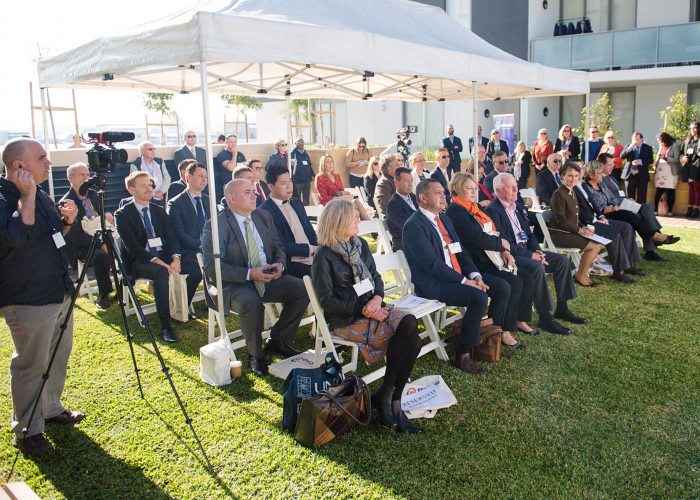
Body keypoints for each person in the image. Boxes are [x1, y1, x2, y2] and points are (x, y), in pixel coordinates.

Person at [1, 138, 84, 457]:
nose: (49, 163)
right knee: (31, 364)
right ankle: (27, 430)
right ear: (19, 166)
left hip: (57, 289)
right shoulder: (7, 197)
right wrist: (27, 196)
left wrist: (67, 222)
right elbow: (16, 237)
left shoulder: (42, 193)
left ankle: (50, 408)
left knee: (56, 356)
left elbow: (53, 238)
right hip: (27, 298)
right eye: (42, 157)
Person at [311, 200, 422, 432]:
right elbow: (327, 301)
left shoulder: (359, 244)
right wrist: (363, 309)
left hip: (371, 306)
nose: (358, 220)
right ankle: (392, 400)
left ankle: (388, 393)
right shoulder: (324, 255)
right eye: (353, 217)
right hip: (347, 319)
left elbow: (376, 279)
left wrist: (377, 299)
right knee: (411, 340)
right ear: (338, 221)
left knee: (410, 324)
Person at [202, 179, 309, 376]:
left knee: (302, 290)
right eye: (247, 192)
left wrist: (280, 264)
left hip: (267, 275)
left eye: (253, 191)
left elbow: (278, 246)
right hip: (236, 283)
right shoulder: (216, 225)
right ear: (231, 198)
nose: (254, 196)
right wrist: (250, 274)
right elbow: (212, 267)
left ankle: (278, 340)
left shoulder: (263, 216)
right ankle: (256, 355)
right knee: (251, 303)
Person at [403, 179, 489, 374]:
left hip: (456, 276)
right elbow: (432, 265)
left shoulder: (444, 218)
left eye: (443, 192)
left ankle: (486, 338)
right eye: (438, 193)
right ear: (423, 198)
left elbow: (460, 252)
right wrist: (465, 282)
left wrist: (475, 276)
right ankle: (462, 353)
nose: (444, 196)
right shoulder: (414, 226)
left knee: (496, 286)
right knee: (478, 297)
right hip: (433, 284)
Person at [486, 173, 584, 335]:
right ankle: (545, 317)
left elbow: (529, 235)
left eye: (516, 186)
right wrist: (531, 256)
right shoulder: (493, 211)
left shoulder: (517, 206)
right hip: (510, 255)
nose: (516, 189)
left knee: (561, 260)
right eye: (511, 187)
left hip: (527, 250)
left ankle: (562, 307)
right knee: (536, 266)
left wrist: (536, 250)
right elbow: (504, 243)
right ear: (498, 191)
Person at [446, 173, 530, 348]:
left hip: (487, 259)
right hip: (472, 264)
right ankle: (496, 333)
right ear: (457, 188)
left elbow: (490, 232)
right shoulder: (456, 211)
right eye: (469, 188)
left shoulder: (473, 208)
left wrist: (504, 249)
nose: (474, 192)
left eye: (475, 188)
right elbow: (475, 237)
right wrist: (501, 243)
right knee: (504, 286)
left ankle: (502, 330)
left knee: (517, 281)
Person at [115, 171, 183, 343]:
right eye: (143, 186)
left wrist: (176, 258)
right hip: (138, 260)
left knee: (191, 264)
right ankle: (165, 326)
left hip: (162, 254)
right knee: (161, 272)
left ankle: (182, 308)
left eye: (150, 185)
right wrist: (160, 263)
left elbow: (171, 237)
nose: (149, 189)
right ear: (131, 190)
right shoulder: (122, 214)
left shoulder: (159, 210)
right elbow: (133, 248)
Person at [587, 153, 679, 261]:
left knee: (645, 208)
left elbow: (618, 194)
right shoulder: (600, 180)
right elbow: (605, 200)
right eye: (610, 164)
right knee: (642, 211)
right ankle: (654, 240)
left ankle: (654, 241)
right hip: (614, 209)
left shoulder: (612, 178)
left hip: (623, 205)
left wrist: (628, 199)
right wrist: (621, 203)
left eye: (613, 164)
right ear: (601, 165)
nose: (613, 166)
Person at [60, 162, 114, 309]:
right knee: (101, 256)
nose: (86, 178)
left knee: (124, 245)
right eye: (81, 175)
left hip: (101, 235)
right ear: (70, 178)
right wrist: (100, 243)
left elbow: (101, 216)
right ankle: (104, 294)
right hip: (81, 245)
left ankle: (127, 283)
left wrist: (108, 217)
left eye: (87, 174)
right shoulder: (66, 202)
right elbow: (74, 235)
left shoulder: (94, 195)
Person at [577, 161, 643, 282]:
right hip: (587, 224)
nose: (581, 171)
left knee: (627, 227)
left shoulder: (581, 186)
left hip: (597, 219)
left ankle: (629, 265)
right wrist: (597, 218)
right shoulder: (577, 187)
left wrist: (601, 217)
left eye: (581, 169)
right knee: (613, 232)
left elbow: (594, 206)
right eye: (579, 169)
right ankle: (619, 271)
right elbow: (580, 212)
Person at [547, 163, 603, 287]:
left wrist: (584, 228)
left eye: (576, 176)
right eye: (570, 176)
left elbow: (574, 218)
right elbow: (561, 221)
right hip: (560, 235)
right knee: (595, 246)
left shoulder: (571, 192)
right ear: (562, 176)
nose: (573, 179)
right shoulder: (559, 194)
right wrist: (579, 231)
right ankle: (580, 275)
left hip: (571, 232)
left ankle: (581, 273)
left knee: (599, 243)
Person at [260, 165, 318, 278]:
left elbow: (309, 230)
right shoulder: (264, 211)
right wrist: (310, 249)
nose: (289, 186)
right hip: (292, 263)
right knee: (328, 275)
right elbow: (278, 245)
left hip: (314, 255)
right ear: (271, 187)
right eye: (283, 183)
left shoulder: (296, 202)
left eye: (290, 181)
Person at [166, 162, 209, 313]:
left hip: (208, 247)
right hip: (187, 250)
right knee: (197, 269)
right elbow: (179, 233)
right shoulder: (175, 203)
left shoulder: (207, 200)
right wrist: (201, 245)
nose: (204, 180)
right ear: (188, 177)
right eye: (200, 176)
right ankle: (181, 309)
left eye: (206, 177)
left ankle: (217, 300)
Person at [385, 167, 417, 251]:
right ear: (396, 182)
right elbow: (409, 227)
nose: (410, 184)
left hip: (419, 240)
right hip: (406, 245)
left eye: (411, 181)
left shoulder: (413, 197)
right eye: (406, 181)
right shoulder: (393, 205)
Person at [130, 141, 170, 205]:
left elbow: (167, 177)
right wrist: (153, 195)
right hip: (146, 198)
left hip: (162, 196)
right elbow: (137, 184)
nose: (153, 151)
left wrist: (161, 192)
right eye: (150, 149)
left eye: (153, 149)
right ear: (142, 152)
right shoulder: (136, 165)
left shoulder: (159, 161)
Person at [620, 132, 653, 204]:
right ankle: (631, 214)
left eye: (637, 139)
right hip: (630, 175)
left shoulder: (647, 148)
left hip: (641, 175)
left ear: (641, 139)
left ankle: (641, 214)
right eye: (633, 139)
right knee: (629, 197)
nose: (635, 141)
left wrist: (640, 161)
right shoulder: (628, 146)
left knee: (642, 197)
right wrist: (629, 148)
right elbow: (622, 156)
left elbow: (650, 160)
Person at [653, 132, 681, 215]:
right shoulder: (661, 145)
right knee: (659, 190)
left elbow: (676, 159)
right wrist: (655, 163)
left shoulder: (674, 145)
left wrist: (665, 158)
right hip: (661, 170)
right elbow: (658, 155)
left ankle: (670, 211)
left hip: (671, 170)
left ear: (665, 139)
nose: (659, 143)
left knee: (671, 190)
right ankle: (656, 210)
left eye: (660, 141)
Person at [214, 134, 246, 201]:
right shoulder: (222, 155)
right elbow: (231, 167)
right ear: (226, 142)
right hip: (228, 184)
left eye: (235, 142)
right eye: (231, 142)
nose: (234, 144)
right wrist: (234, 154)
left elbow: (244, 169)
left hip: (241, 183)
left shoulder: (241, 155)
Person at [681, 120, 700, 218]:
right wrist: (683, 158)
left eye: (696, 128)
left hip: (697, 167)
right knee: (691, 189)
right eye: (692, 128)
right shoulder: (688, 140)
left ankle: (696, 210)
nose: (694, 130)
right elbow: (682, 153)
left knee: (697, 189)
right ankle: (689, 208)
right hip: (688, 167)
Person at [290, 137, 314, 205]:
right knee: (297, 200)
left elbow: (309, 165)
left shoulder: (305, 154)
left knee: (306, 200)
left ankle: (307, 214)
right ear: (295, 143)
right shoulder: (292, 153)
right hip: (297, 181)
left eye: (302, 142)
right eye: (299, 141)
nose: (301, 143)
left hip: (307, 180)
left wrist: (312, 175)